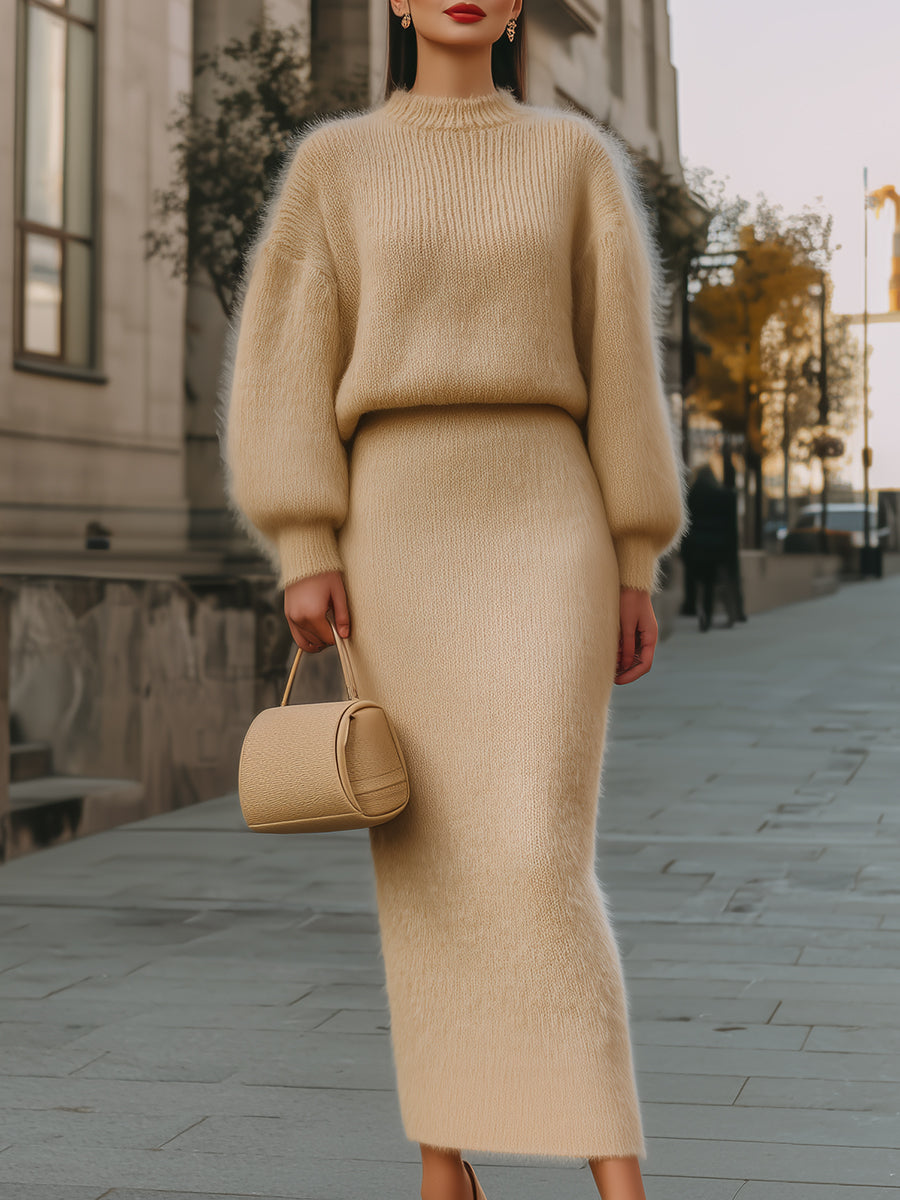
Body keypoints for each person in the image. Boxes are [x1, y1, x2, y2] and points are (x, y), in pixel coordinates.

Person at [218, 3, 688, 1198]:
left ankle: (615, 1168)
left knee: (537, 848)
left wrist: (636, 555)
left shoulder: (573, 162)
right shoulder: (336, 164)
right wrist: (304, 538)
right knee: (422, 851)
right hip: (395, 524)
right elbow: (285, 362)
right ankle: (443, 1161)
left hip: (548, 512)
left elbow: (624, 366)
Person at [680, 464, 738, 631]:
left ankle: (699, 610)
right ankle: (708, 612)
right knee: (711, 583)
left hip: (696, 547)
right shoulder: (721, 496)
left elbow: (685, 525)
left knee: (698, 582)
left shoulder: (691, 496)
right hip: (715, 547)